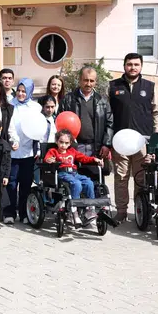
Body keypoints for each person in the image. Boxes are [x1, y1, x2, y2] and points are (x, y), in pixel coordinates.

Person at [108, 53, 158, 223]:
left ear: (141, 66)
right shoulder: (113, 86)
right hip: (120, 141)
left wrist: (156, 139)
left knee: (141, 177)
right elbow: (108, 114)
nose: (133, 67)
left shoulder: (150, 87)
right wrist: (108, 140)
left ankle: (141, 210)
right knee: (121, 177)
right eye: (129, 64)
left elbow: (156, 113)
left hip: (142, 141)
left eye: (136, 64)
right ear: (124, 66)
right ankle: (121, 211)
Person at [59, 66, 114, 214]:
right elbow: (60, 121)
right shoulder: (68, 99)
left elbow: (110, 123)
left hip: (95, 147)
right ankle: (75, 211)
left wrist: (106, 144)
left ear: (95, 82)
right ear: (79, 80)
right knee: (74, 180)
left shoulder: (102, 101)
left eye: (91, 81)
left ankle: (93, 212)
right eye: (85, 80)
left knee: (94, 180)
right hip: (73, 147)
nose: (88, 84)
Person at [44, 129, 103, 226]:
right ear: (56, 141)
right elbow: (47, 158)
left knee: (89, 182)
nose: (63, 145)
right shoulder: (53, 151)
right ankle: (73, 210)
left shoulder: (72, 151)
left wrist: (94, 159)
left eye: (66, 143)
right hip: (62, 173)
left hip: (74, 173)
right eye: (61, 142)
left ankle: (90, 209)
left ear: (70, 143)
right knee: (76, 183)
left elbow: (83, 158)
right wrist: (50, 160)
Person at [6, 78, 41, 224]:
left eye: (24, 91)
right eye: (19, 91)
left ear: (30, 92)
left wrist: (37, 148)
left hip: (28, 151)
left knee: (25, 183)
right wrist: (12, 140)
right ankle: (10, 212)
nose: (20, 94)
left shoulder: (36, 107)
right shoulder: (9, 104)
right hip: (13, 149)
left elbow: (38, 127)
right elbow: (8, 125)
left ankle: (24, 213)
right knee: (11, 183)